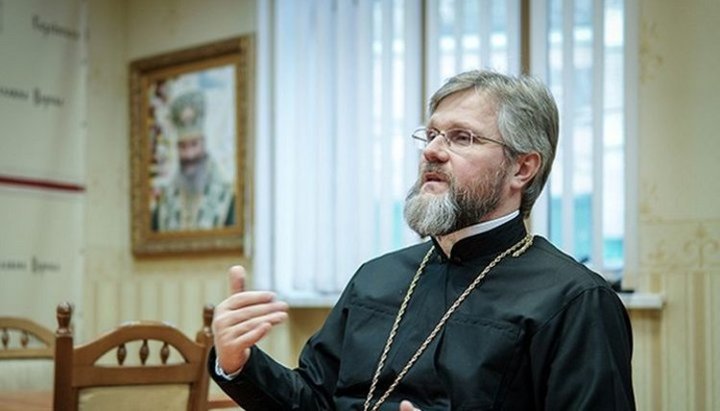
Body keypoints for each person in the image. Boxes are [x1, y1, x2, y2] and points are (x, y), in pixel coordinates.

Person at [209, 70, 636, 410]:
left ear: (522, 169)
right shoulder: (376, 277)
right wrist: (239, 363)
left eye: (462, 137)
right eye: (431, 134)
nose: (432, 150)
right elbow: (314, 399)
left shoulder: (575, 300)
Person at [152, 90, 236, 232]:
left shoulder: (226, 198)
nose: (189, 154)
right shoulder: (166, 201)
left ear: (204, 144)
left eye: (194, 144)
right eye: (182, 146)